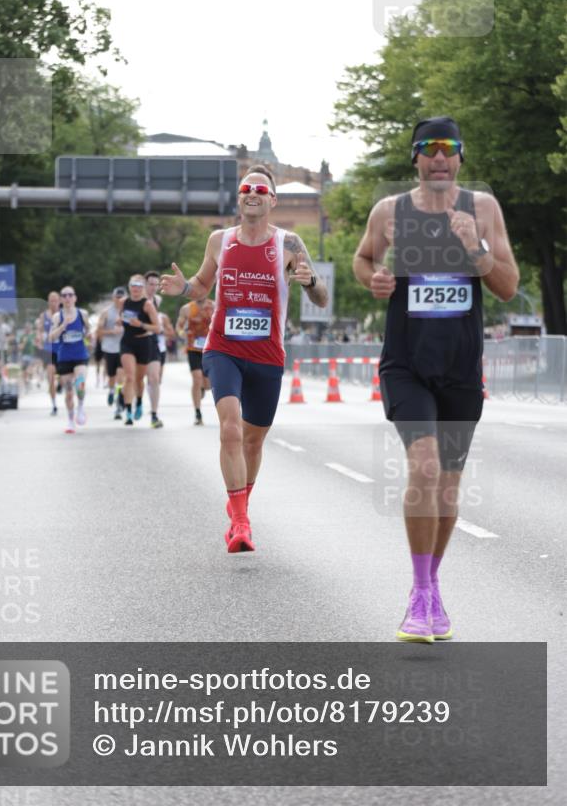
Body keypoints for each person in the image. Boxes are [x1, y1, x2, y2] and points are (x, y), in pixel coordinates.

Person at [353, 116, 519, 642]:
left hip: (461, 368)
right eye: (429, 148)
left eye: (449, 148)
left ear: (461, 157)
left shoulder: (483, 209)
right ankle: (420, 594)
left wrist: (476, 248)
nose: (439, 157)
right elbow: (362, 259)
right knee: (423, 467)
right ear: (416, 158)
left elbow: (509, 287)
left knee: (447, 488)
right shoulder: (389, 211)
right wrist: (374, 280)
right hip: (406, 363)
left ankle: (432, 586)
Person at [161, 166, 328, 552]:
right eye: (245, 188)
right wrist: (183, 287)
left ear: (272, 200)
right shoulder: (219, 241)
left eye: (260, 189)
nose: (252, 193)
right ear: (239, 198)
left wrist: (310, 282)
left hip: (268, 354)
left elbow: (321, 298)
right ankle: (240, 522)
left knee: (253, 442)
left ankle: (240, 504)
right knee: (231, 429)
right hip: (224, 348)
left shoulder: (289, 244)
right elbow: (202, 285)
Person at [119, 274, 161, 427]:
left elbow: (157, 328)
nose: (136, 288)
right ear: (129, 287)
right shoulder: (123, 302)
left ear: (143, 288)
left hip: (143, 342)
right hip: (127, 342)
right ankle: (128, 412)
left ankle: (139, 402)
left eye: (139, 285)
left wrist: (141, 324)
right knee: (129, 377)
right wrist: (120, 321)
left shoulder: (147, 305)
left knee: (138, 379)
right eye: (133, 285)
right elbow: (121, 317)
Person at [49, 286, 91, 434]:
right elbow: (51, 337)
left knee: (80, 383)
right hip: (64, 357)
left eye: (70, 295)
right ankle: (70, 420)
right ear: (61, 299)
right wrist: (62, 326)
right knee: (68, 392)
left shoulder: (82, 314)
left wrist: (88, 336)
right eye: (64, 295)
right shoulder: (57, 317)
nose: (67, 298)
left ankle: (80, 407)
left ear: (75, 298)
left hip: (80, 355)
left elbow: (88, 330)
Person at [176, 295, 215, 424]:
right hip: (193, 348)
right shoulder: (187, 308)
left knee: (208, 384)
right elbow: (179, 326)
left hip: (209, 349)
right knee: (197, 378)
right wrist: (182, 334)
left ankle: (203, 388)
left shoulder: (214, 306)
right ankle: (198, 413)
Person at [97, 288, 126, 417]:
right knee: (112, 377)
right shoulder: (106, 313)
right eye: (117, 297)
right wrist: (111, 332)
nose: (119, 299)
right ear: (113, 298)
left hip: (124, 348)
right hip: (109, 348)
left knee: (121, 377)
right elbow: (98, 332)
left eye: (122, 297)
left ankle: (119, 403)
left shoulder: (129, 312)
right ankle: (110, 391)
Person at [35, 292, 60, 415]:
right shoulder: (44, 316)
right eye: (51, 300)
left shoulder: (63, 314)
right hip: (49, 350)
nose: (53, 303)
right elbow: (39, 330)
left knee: (65, 378)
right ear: (48, 301)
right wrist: (39, 339)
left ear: (59, 301)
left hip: (62, 349)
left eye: (56, 300)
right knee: (50, 377)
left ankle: (61, 383)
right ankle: (54, 404)